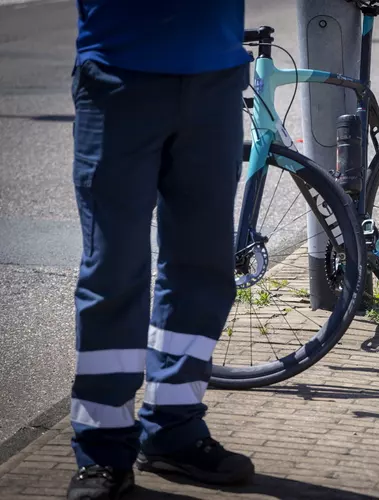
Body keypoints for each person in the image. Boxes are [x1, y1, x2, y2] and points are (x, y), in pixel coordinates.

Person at [67, 2, 254, 499]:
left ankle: (174, 428)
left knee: (203, 268)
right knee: (114, 270)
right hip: (118, 76)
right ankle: (102, 450)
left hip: (215, 78)